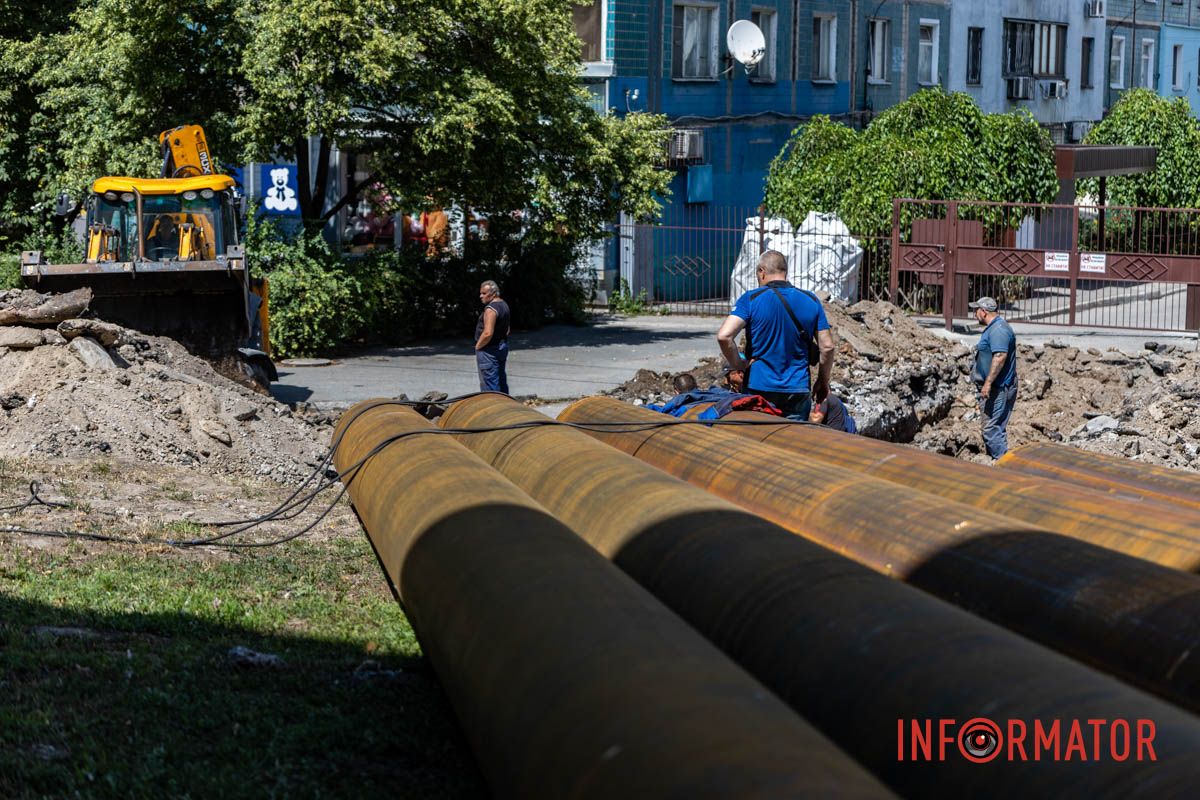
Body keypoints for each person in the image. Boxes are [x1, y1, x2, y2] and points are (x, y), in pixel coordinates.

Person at [717, 250, 835, 420]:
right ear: (784, 271)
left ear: (761, 272)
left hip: (759, 386)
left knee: (759, 441)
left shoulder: (750, 299)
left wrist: (740, 364)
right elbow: (828, 347)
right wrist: (823, 381)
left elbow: (724, 336)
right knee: (792, 442)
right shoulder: (811, 300)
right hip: (797, 388)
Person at [970, 296, 1018, 459]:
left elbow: (1000, 356)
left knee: (991, 429)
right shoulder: (995, 327)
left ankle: (1002, 465)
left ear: (983, 312)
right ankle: (998, 461)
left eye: (975, 310)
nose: (974, 313)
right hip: (997, 387)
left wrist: (988, 384)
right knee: (996, 427)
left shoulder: (998, 330)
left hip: (998, 389)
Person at [475, 280, 511, 393]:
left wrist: (478, 346)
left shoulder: (491, 310)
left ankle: (494, 408)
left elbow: (487, 333)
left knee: (490, 387)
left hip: (489, 351)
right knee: (501, 381)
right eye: (481, 293)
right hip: (501, 346)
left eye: (484, 293)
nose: (481, 296)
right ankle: (506, 407)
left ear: (494, 293)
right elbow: (507, 330)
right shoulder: (504, 305)